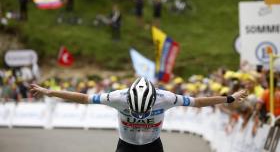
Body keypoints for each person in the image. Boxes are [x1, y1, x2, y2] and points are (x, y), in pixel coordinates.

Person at [30, 77, 248, 152]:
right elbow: (84, 98)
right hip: (126, 145)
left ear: (154, 100)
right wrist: (50, 92)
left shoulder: (166, 97)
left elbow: (199, 102)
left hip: (153, 145)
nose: (141, 116)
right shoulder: (117, 97)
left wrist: (229, 98)